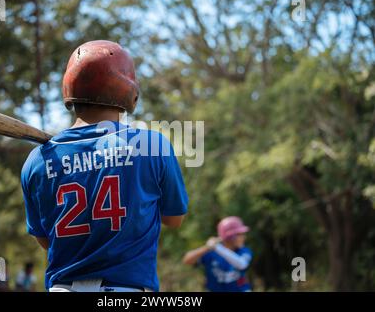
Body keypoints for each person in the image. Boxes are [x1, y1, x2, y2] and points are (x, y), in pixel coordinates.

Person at [20, 40, 188, 292]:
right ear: (127, 89)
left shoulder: (37, 160)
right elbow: (174, 218)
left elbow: (46, 240)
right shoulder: (152, 145)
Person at [183, 216, 252, 292]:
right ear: (230, 236)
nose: (244, 237)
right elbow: (187, 260)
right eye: (240, 234)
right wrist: (207, 247)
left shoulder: (244, 251)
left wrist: (217, 247)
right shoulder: (211, 252)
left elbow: (242, 264)